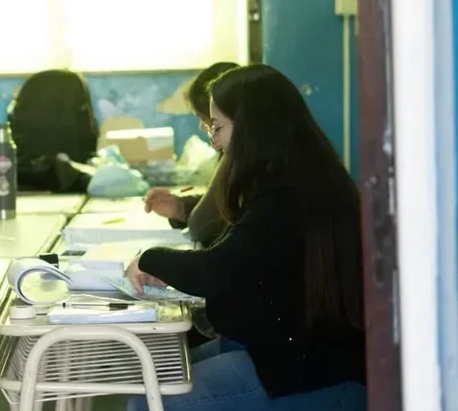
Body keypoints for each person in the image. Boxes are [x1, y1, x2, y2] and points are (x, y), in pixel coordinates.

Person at [125, 64, 367, 411]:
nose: (214, 141)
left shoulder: (288, 195)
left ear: (252, 127)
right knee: (148, 380)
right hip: (280, 351)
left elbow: (217, 269)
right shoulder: (293, 177)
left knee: (148, 401)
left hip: (310, 370)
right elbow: (238, 256)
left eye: (218, 127)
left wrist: (151, 259)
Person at [144, 61, 237, 247]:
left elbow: (203, 227)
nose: (204, 128)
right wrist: (180, 208)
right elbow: (221, 208)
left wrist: (152, 259)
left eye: (214, 124)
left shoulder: (249, 159)